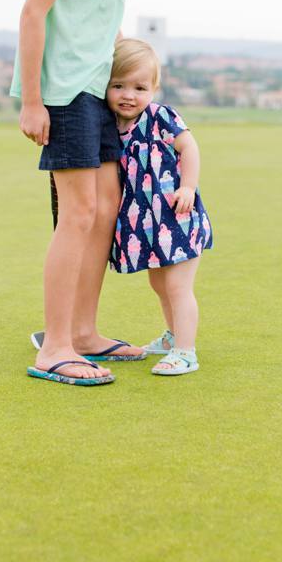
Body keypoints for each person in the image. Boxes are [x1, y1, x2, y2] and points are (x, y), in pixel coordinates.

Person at [14, 0, 165, 385]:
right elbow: (34, 15)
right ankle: (53, 347)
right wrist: (32, 100)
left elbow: (99, 24)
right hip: (64, 92)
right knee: (77, 215)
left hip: (99, 91)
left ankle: (82, 332)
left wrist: (135, 86)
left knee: (104, 211)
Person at [107, 39, 213, 376]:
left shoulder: (160, 116)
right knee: (159, 284)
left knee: (178, 286)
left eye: (139, 87)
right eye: (118, 86)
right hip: (146, 223)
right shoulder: (114, 126)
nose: (128, 95)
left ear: (154, 88)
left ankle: (186, 351)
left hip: (176, 215)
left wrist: (188, 186)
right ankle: (172, 337)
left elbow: (189, 148)